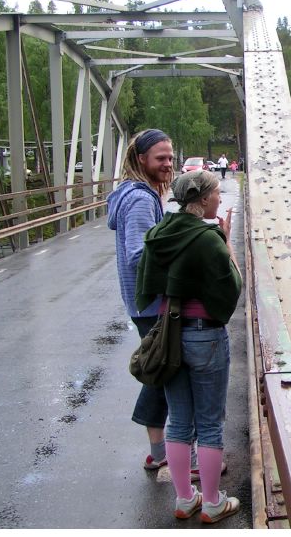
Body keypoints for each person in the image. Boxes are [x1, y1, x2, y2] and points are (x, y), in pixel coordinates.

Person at [136, 170, 242, 523]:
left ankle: (184, 499)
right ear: (201, 198)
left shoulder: (159, 234)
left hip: (170, 335)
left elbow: (147, 284)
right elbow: (231, 287)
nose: (219, 200)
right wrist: (226, 243)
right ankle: (212, 502)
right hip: (205, 335)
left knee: (179, 420)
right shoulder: (207, 238)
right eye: (215, 194)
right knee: (210, 423)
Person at [107, 129, 200, 478]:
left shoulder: (136, 194)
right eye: (160, 158)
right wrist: (183, 264)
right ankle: (179, 455)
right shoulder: (140, 199)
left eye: (170, 156)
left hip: (142, 303)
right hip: (152, 304)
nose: (168, 163)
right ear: (141, 160)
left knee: (160, 371)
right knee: (170, 373)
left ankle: (157, 452)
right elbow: (138, 255)